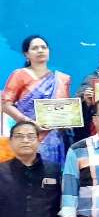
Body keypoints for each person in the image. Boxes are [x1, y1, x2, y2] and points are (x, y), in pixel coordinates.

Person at [1, 35, 71, 166]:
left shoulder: (62, 79)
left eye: (43, 47)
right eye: (35, 48)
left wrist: (67, 121)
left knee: (52, 173)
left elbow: (65, 110)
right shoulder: (19, 75)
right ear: (26, 54)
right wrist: (29, 122)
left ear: (49, 51)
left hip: (55, 139)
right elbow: (5, 105)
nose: (40, 50)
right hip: (27, 136)